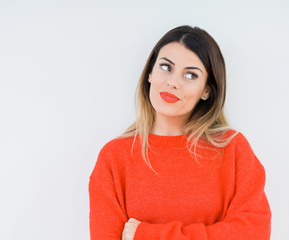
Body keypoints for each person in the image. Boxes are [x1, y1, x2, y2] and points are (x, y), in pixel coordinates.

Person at [88, 25, 271, 240]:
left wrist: (147, 235)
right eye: (166, 67)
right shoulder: (114, 158)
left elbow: (253, 234)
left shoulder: (232, 149)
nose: (173, 82)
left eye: (191, 75)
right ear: (149, 73)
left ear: (206, 90)